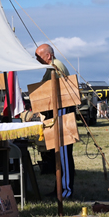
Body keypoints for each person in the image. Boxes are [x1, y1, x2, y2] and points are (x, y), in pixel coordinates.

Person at [35, 43, 75, 199]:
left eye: (39, 56)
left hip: (62, 112)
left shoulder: (55, 67)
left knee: (63, 153)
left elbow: (54, 91)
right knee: (60, 153)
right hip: (58, 111)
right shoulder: (52, 67)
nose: (37, 59)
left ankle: (66, 190)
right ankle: (60, 187)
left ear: (48, 56)